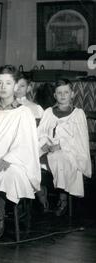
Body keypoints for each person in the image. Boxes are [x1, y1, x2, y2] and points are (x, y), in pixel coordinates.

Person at [0, 65, 41, 240]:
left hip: (15, 161)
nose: (3, 87)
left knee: (5, 174)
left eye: (8, 83)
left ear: (15, 86)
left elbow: (26, 143)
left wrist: (9, 158)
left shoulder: (23, 113)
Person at [37, 78, 91, 216]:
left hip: (69, 151)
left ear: (72, 94)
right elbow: (41, 133)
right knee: (32, 160)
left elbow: (80, 139)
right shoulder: (49, 112)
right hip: (48, 148)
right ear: (55, 95)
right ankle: (41, 196)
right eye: (59, 92)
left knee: (60, 159)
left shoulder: (78, 114)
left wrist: (61, 145)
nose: (62, 95)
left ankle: (63, 197)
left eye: (66, 92)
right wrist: (46, 145)